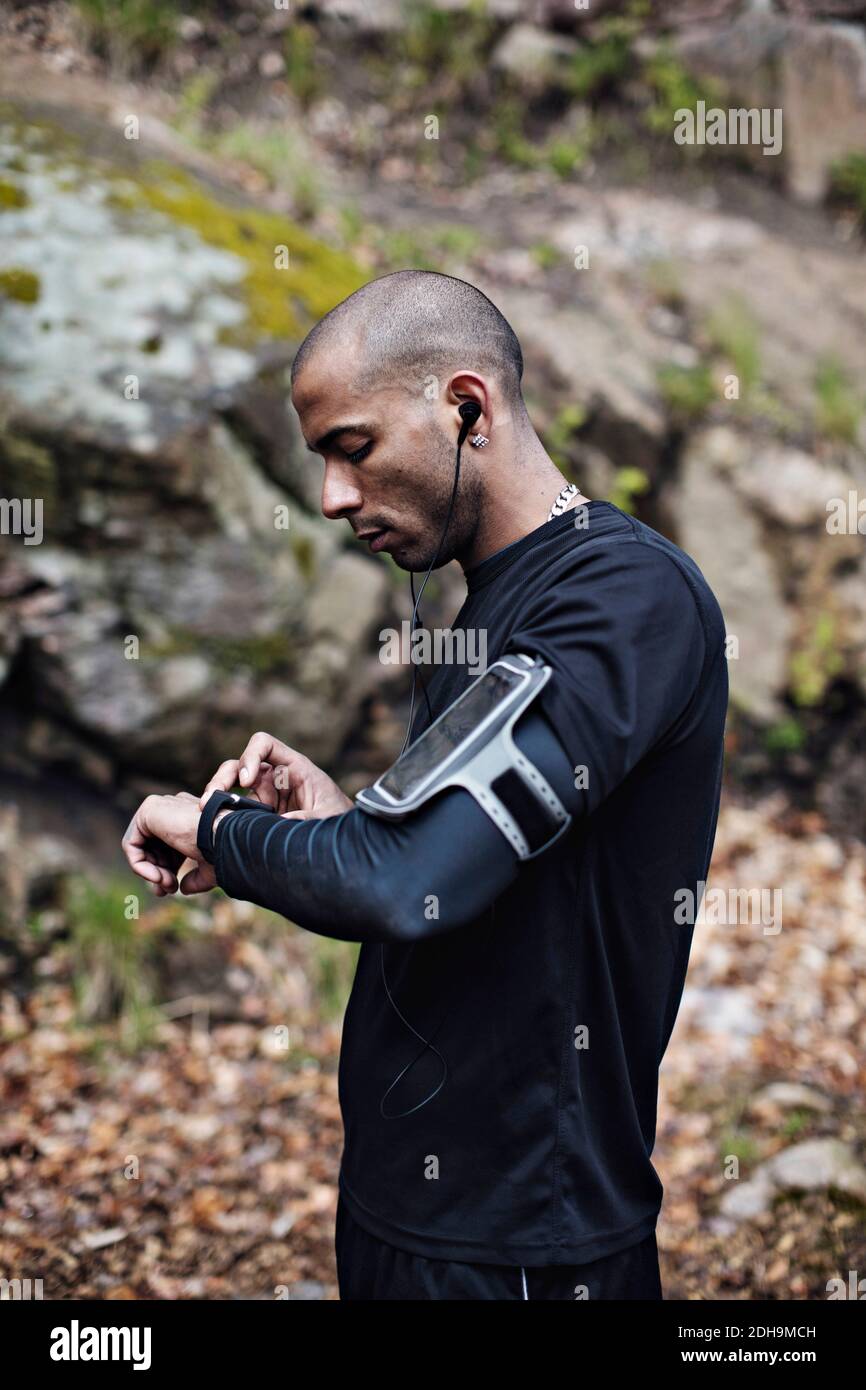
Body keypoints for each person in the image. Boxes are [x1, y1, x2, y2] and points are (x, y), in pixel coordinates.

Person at [122, 270, 728, 1301]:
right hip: (405, 1215)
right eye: (321, 461)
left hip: (526, 1242)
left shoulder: (623, 601)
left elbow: (410, 880)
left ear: (465, 407)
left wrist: (220, 830)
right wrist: (342, 821)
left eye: (352, 449)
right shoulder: (479, 616)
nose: (331, 498)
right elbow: (452, 876)